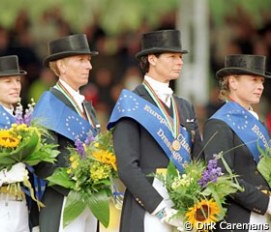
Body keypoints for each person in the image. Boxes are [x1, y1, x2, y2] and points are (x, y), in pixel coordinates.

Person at [107, 29, 202, 232]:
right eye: (172, 56)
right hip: (147, 208)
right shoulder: (132, 104)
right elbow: (127, 167)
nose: (180, 62)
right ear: (152, 59)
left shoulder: (184, 106)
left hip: (185, 204)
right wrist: (161, 210)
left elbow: (199, 158)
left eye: (180, 57)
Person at [32, 34, 100, 232]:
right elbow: (42, 162)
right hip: (64, 201)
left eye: (88, 60)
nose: (89, 66)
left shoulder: (87, 106)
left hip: (91, 201)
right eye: (81, 60)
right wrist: (78, 183)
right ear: (61, 66)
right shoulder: (49, 103)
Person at [202, 54, 271, 231]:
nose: (260, 86)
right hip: (234, 221)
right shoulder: (218, 123)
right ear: (233, 82)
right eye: (254, 80)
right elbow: (220, 178)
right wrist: (266, 203)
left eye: (262, 81)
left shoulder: (258, 124)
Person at [0, 55, 38, 232]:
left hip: (24, 211)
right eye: (8, 81)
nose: (16, 86)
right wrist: (0, 178)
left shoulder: (25, 124)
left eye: (17, 80)